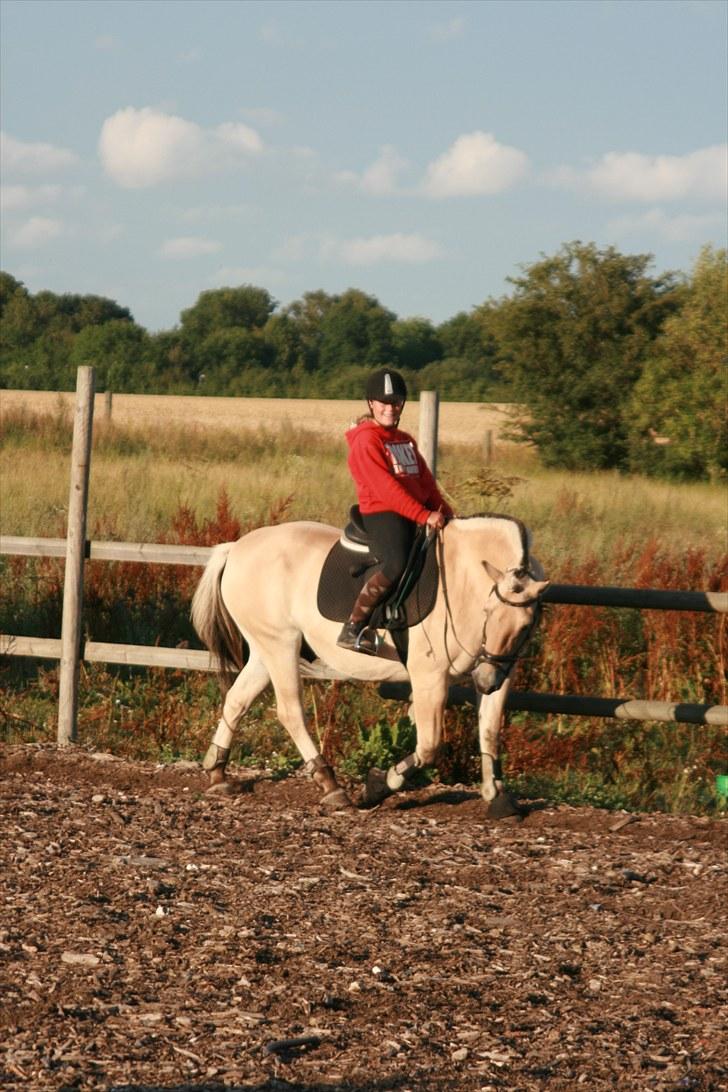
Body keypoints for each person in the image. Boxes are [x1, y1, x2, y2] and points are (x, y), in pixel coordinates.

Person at [337, 368, 455, 654]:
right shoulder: (366, 441)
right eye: (384, 403)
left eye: (396, 402)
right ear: (371, 404)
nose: (390, 408)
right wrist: (424, 515)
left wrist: (447, 514)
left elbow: (426, 484)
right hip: (383, 513)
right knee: (396, 563)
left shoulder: (405, 440)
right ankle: (354, 626)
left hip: (413, 512)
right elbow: (386, 489)